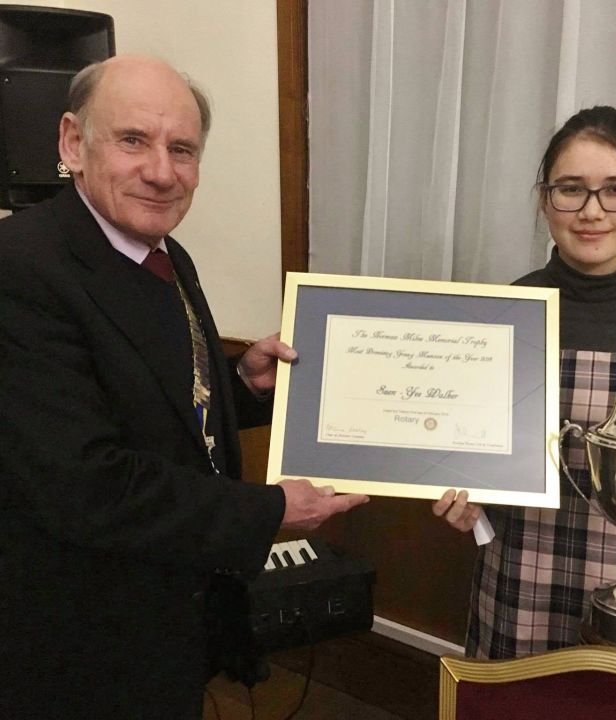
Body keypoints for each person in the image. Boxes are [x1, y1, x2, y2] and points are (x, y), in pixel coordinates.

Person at [0, 55, 368, 719]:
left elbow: (157, 399)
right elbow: (87, 484)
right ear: (72, 143)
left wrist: (242, 383)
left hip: (168, 618)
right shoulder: (21, 268)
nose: (162, 172)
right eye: (133, 140)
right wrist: (267, 512)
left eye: (182, 149)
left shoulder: (164, 252)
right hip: (75, 643)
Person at [433, 106, 616, 686]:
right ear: (546, 200)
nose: (592, 211)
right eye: (571, 189)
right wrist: (463, 494)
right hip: (521, 571)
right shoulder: (507, 311)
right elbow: (474, 447)